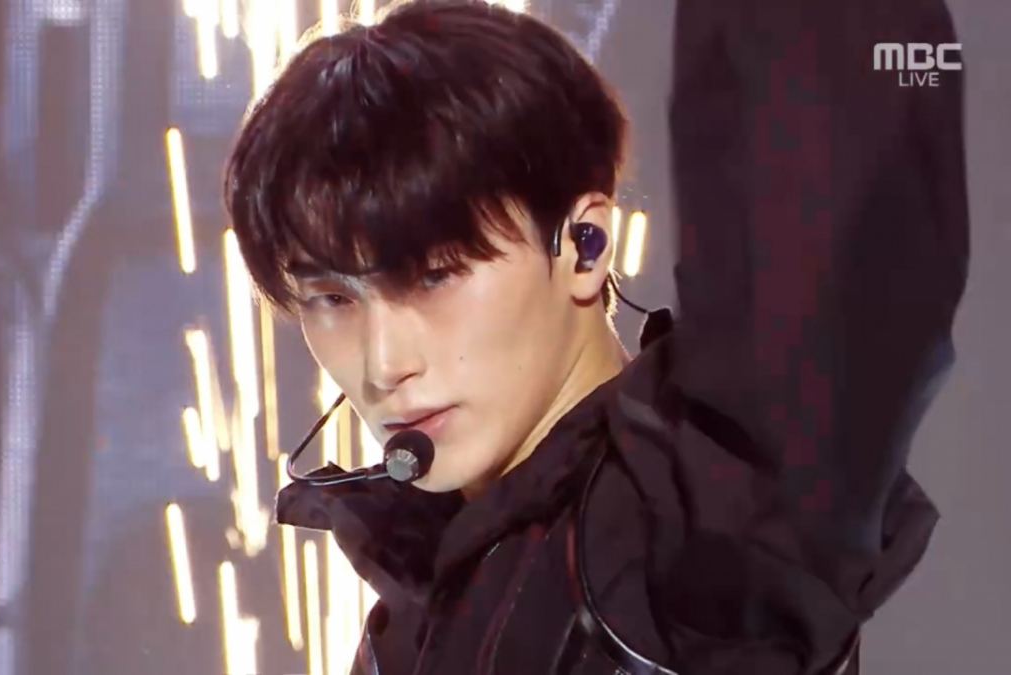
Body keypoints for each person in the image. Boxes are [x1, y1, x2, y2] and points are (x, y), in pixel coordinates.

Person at [222, 0, 969, 672]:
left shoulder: (704, 529)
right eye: (331, 297)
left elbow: (842, 209)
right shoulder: (413, 600)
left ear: (585, 246)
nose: (384, 362)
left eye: (435, 276)